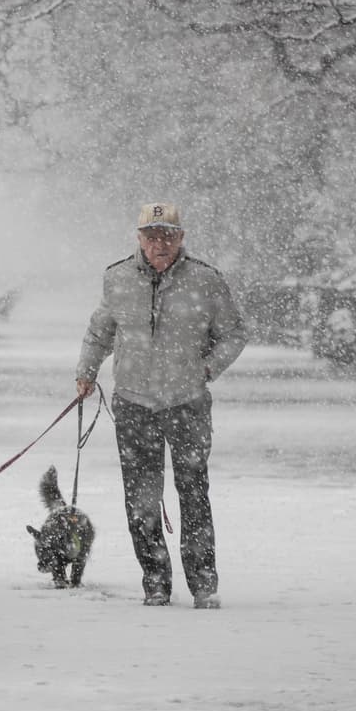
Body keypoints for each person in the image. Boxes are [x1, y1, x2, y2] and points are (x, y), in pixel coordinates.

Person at [75, 202, 248, 608]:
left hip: (187, 403)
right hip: (134, 402)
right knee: (141, 497)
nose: (160, 244)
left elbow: (235, 333)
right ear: (139, 239)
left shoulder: (206, 281)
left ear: (181, 237)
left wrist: (207, 369)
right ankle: (155, 581)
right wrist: (86, 371)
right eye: (151, 236)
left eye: (168, 235)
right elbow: (99, 331)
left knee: (193, 492)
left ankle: (203, 583)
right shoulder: (117, 279)